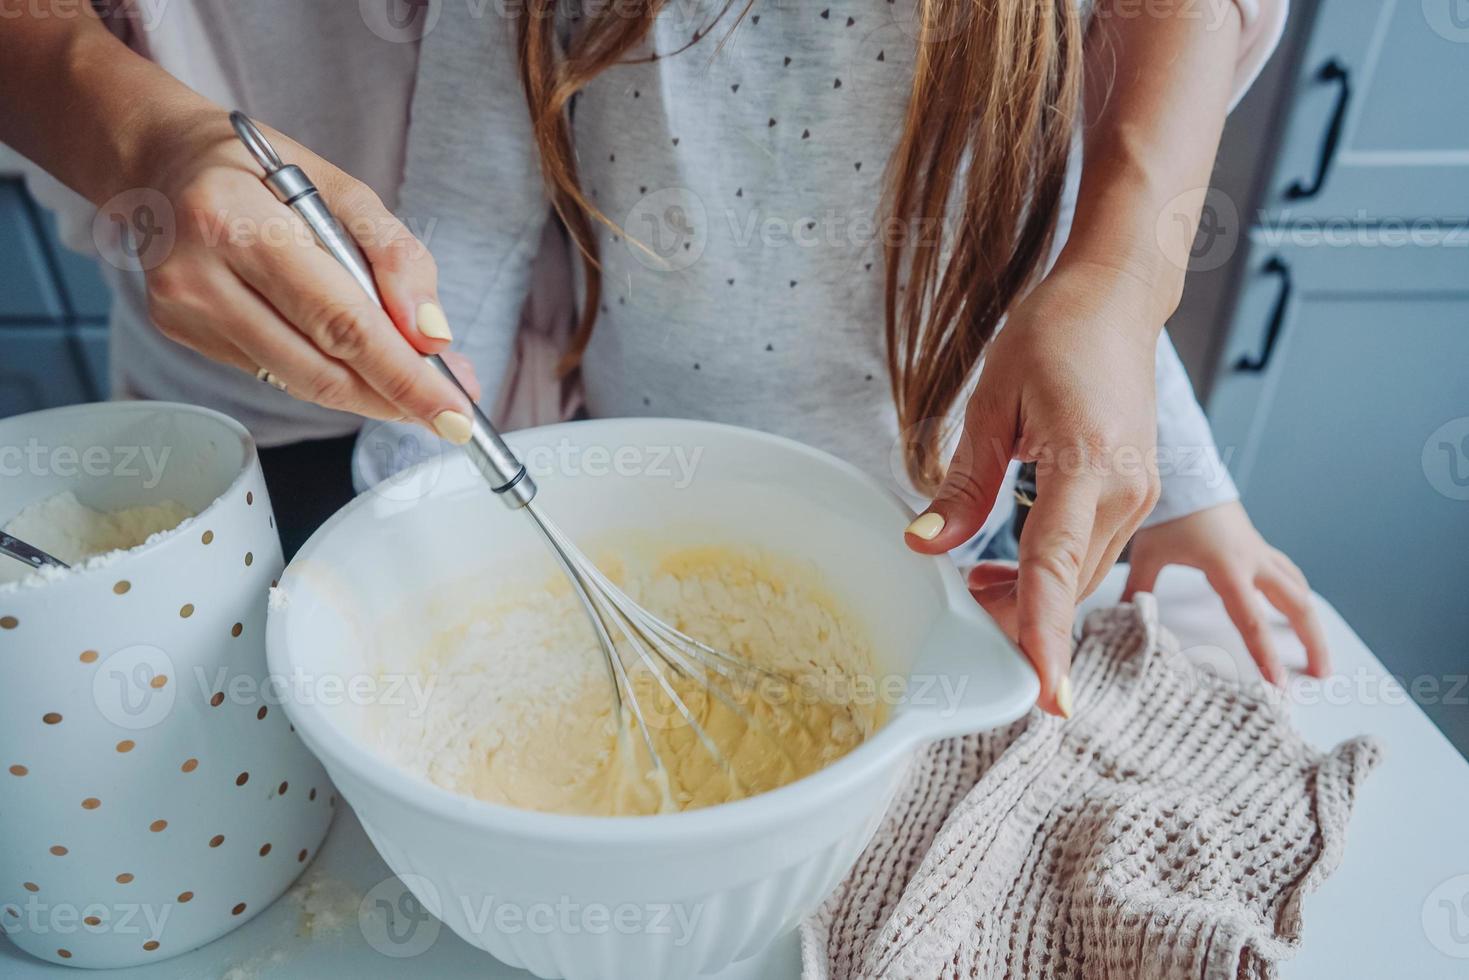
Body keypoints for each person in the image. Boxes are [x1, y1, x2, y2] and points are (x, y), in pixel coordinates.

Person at [0, 0, 1328, 719]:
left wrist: (1192, 492)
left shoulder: (1027, 26)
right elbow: (460, 234)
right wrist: (399, 521)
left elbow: (1070, 271)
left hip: (942, 501)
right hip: (646, 478)